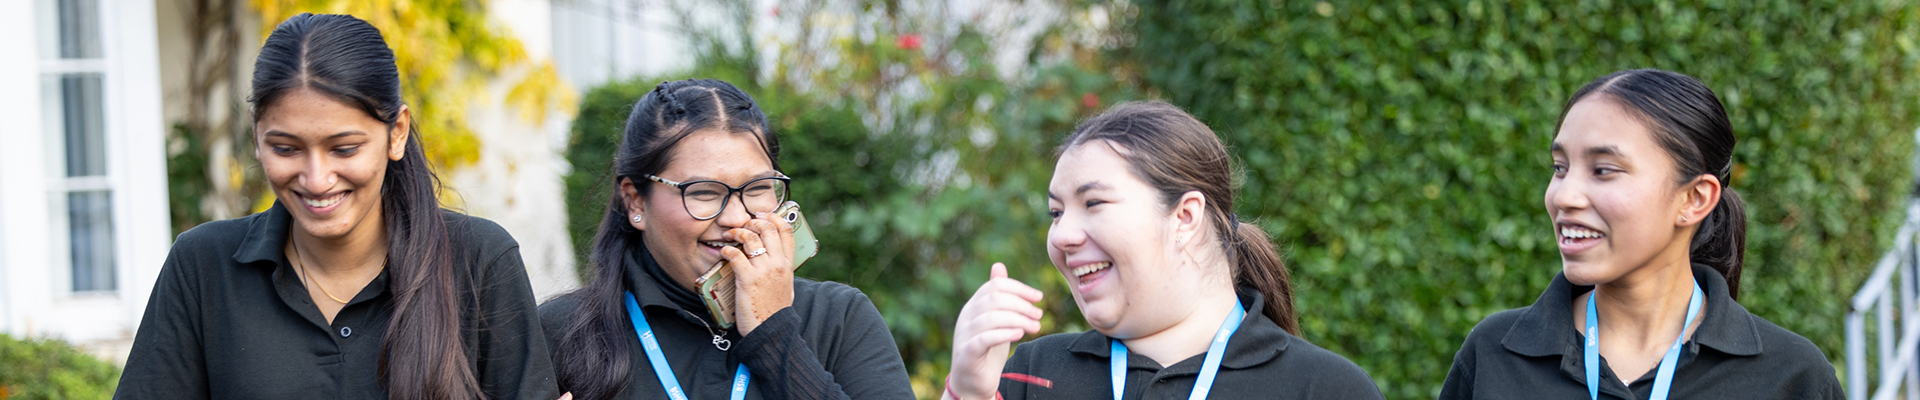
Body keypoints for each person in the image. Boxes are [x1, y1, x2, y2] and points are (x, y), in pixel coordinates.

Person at [114, 13, 558, 400]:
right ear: (256, 135)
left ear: (397, 132)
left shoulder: (480, 261)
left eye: (344, 149)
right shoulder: (202, 266)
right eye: (286, 149)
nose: (316, 179)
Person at [1439, 68, 1843, 399]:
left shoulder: (1791, 376)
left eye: (1603, 170)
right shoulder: (1495, 354)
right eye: (1559, 168)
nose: (1564, 196)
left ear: (1694, 199)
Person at [944, 101, 1382, 400]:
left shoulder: (1324, 388)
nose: (1061, 236)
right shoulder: (1032, 374)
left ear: (1186, 217)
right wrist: (965, 393)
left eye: (1093, 203)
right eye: (1056, 213)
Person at [539, 78, 914, 400]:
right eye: (703, 192)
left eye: (757, 188)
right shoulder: (562, 333)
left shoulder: (838, 317)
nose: (736, 219)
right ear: (636, 201)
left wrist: (774, 335)